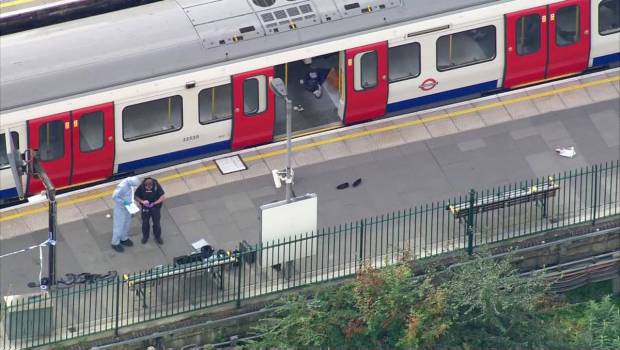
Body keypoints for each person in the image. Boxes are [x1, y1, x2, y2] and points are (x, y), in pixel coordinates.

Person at [111, 176, 140, 252]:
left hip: (129, 207)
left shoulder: (131, 184)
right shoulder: (122, 187)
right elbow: (114, 197)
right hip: (121, 209)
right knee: (119, 226)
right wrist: (124, 202)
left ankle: (123, 238)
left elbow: (131, 195)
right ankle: (115, 243)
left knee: (127, 224)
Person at [134, 177, 166, 245]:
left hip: (155, 207)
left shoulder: (157, 186)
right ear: (145, 185)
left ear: (152, 185)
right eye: (147, 187)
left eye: (150, 187)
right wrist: (142, 201)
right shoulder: (141, 187)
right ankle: (145, 237)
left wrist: (154, 203)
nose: (148, 188)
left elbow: (162, 197)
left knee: (156, 223)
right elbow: (136, 196)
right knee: (145, 223)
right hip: (145, 208)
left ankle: (158, 237)